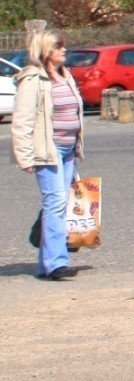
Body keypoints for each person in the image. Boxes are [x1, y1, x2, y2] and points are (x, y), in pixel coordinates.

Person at [13, 28, 83, 280]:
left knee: (60, 203)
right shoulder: (33, 79)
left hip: (68, 149)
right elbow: (22, 121)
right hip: (47, 150)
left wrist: (77, 146)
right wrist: (25, 157)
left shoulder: (66, 76)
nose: (64, 50)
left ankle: (46, 265)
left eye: (63, 45)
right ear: (44, 51)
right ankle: (56, 263)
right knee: (55, 202)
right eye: (57, 46)